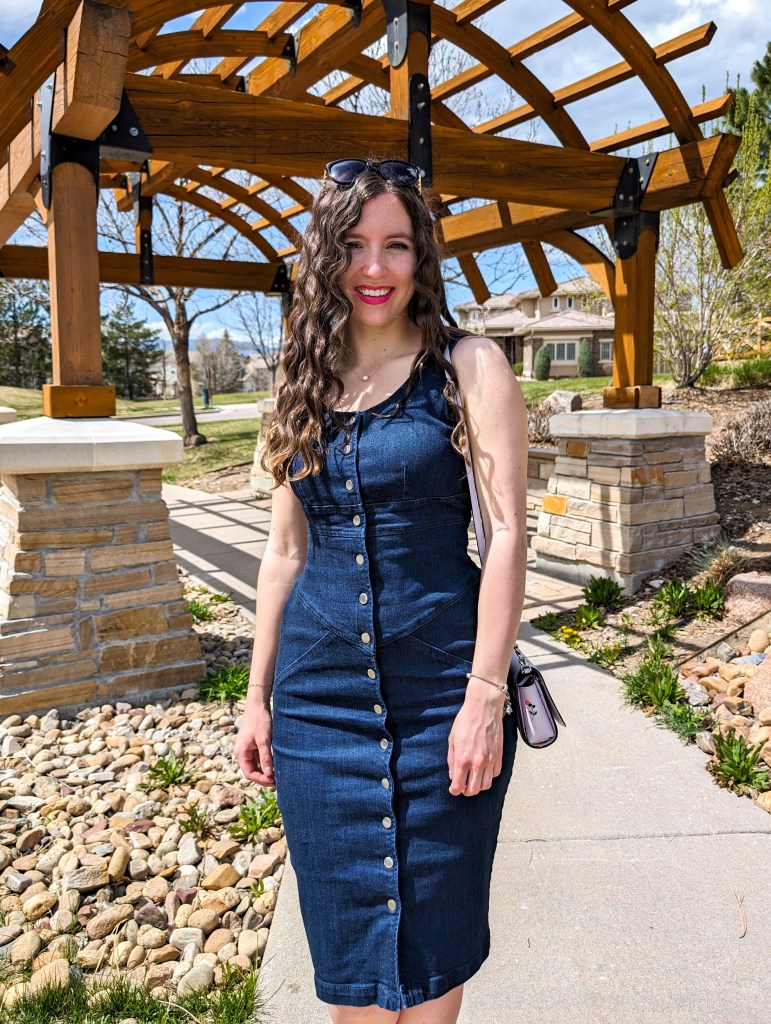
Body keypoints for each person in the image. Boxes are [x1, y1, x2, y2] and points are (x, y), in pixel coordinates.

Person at [234, 157, 528, 1024]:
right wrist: (257, 700)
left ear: (421, 257)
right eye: (355, 246)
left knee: (434, 963)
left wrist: (484, 696)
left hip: (444, 700)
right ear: (326, 257)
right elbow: (284, 552)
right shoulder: (300, 380)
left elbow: (506, 532)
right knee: (352, 977)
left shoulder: (467, 368)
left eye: (396, 245)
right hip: (317, 710)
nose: (374, 268)